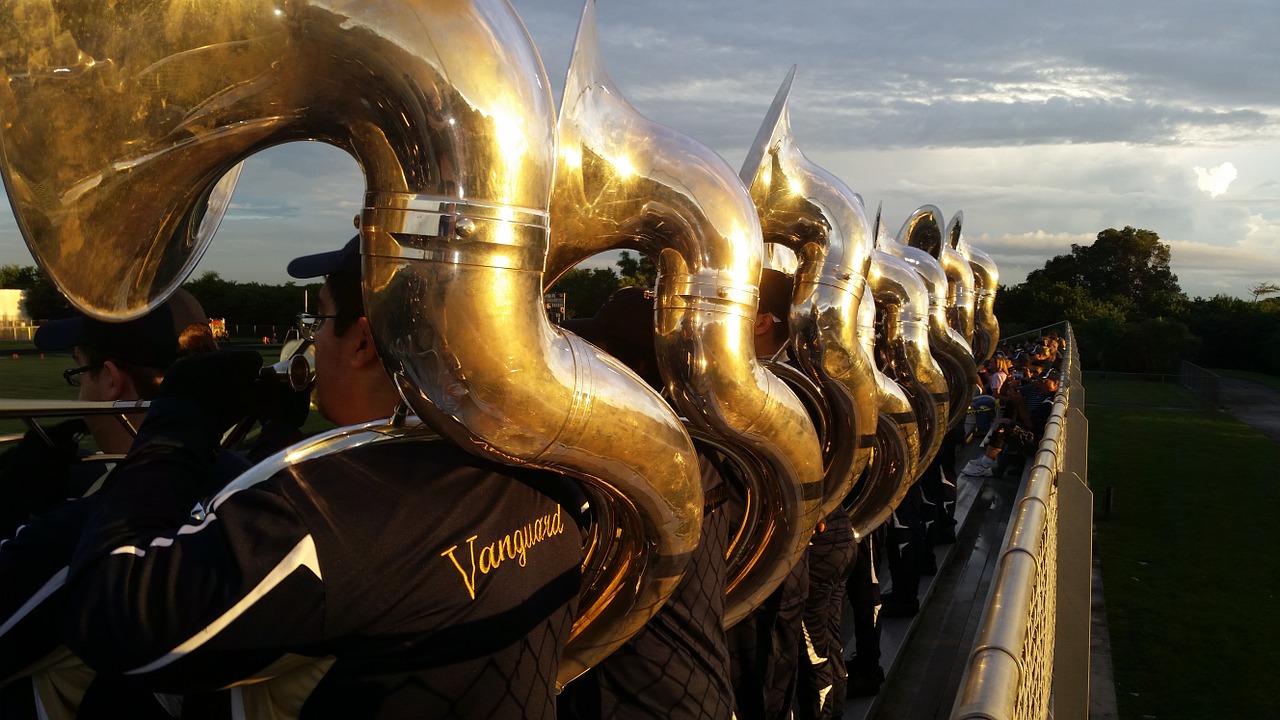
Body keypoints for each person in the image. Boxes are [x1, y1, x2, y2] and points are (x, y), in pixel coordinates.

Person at [60, 236, 584, 719]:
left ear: (362, 343)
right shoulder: (551, 473)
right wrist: (275, 432)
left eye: (318, 324)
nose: (312, 344)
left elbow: (112, 616)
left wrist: (175, 426)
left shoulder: (325, 506)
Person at [0, 290, 221, 719]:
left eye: (79, 373)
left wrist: (10, 504)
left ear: (111, 379)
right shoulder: (239, 477)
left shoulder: (74, 535)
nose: (80, 393)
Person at [556, 286, 734, 720]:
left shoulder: (616, 472)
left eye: (600, 356)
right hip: (697, 685)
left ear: (628, 369)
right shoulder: (702, 454)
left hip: (636, 697)